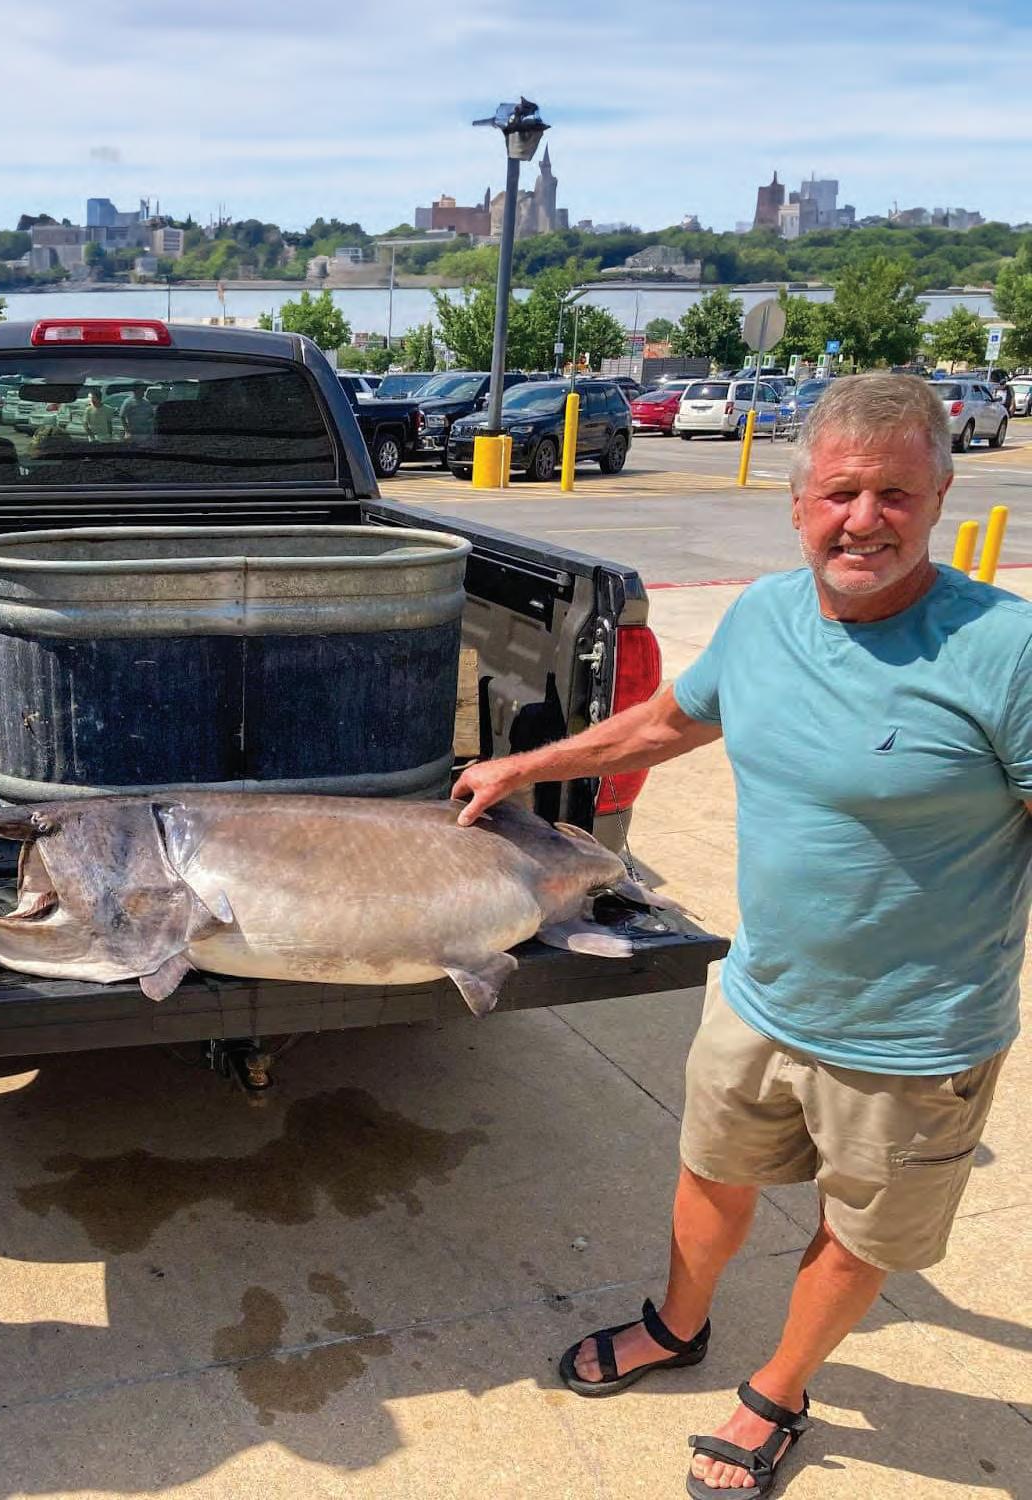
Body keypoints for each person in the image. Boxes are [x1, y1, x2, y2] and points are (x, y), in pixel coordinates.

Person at [454, 374, 1028, 1497]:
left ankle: (777, 1392)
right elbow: (668, 721)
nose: (863, 519)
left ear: (941, 496)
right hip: (761, 992)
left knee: (857, 1233)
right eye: (840, 493)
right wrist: (525, 766)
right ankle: (678, 1326)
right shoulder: (765, 615)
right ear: (799, 502)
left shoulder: (1006, 651)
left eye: (896, 494)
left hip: (913, 1035)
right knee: (711, 1176)